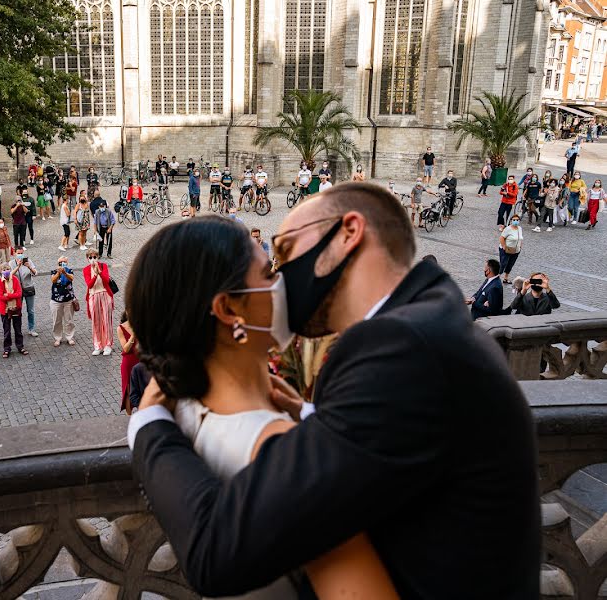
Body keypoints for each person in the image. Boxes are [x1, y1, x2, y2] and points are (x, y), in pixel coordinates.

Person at [126, 183, 540, 599]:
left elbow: (215, 550)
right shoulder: (426, 322)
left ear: (348, 233)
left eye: (284, 252)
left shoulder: (401, 347)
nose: (281, 278)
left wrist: (147, 427)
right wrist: (314, 420)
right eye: (270, 268)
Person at [124, 216, 397, 600]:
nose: (281, 282)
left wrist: (306, 416)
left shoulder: (177, 409)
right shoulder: (293, 457)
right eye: (268, 272)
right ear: (229, 309)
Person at [83, 249, 115, 356]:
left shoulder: (104, 266)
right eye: (90, 257)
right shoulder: (86, 269)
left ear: (98, 257)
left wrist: (100, 272)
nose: (93, 259)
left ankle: (108, 345)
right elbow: (89, 284)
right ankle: (98, 345)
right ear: (87, 259)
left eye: (94, 257)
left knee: (106, 320)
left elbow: (106, 280)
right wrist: (95, 275)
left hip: (105, 294)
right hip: (93, 295)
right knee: (95, 321)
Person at [0, 265, 27, 357]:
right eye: (4, 270)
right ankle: (7, 348)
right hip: (5, 309)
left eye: (8, 269)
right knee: (7, 330)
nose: (6, 271)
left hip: (16, 308)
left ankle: (20, 346)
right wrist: (12, 294)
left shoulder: (15, 279)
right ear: (1, 271)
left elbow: (19, 294)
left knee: (18, 329)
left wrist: (8, 295)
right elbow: (0, 296)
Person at [9, 248, 39, 337]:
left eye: (22, 253)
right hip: (17, 290)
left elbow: (35, 273)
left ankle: (31, 329)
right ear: (14, 253)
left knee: (31, 310)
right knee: (18, 310)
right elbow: (10, 275)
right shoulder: (11, 263)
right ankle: (18, 330)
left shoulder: (28, 261)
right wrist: (18, 266)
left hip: (28, 288)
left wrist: (29, 266)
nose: (20, 255)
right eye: (18, 253)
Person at [50, 256, 76, 346]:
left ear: (67, 263)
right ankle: (57, 338)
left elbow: (71, 278)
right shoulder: (54, 271)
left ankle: (69, 337)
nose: (62, 264)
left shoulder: (69, 270)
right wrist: (58, 273)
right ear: (58, 264)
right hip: (56, 300)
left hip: (68, 299)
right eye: (60, 262)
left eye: (64, 262)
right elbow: (53, 280)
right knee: (57, 320)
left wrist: (65, 273)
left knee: (69, 320)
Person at [118, 310, 139, 415]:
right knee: (128, 391)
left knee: (141, 388)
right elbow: (125, 349)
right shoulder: (120, 328)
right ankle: (128, 416)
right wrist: (133, 335)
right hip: (128, 363)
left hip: (140, 361)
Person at [499, 216, 523, 283]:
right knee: (503, 263)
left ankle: (506, 278)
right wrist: (504, 247)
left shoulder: (520, 228)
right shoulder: (508, 229)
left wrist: (520, 246)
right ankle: (497, 277)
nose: (516, 221)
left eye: (517, 220)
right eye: (514, 220)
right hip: (507, 249)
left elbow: (520, 238)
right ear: (511, 221)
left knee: (510, 264)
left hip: (516, 250)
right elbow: (501, 238)